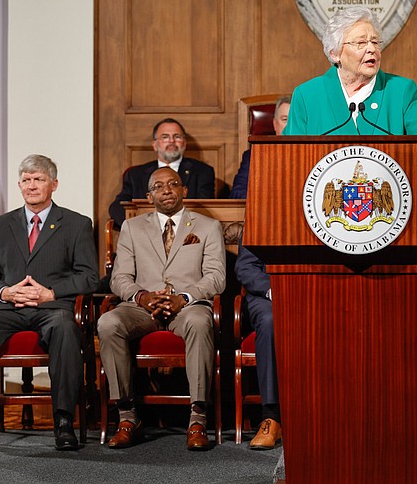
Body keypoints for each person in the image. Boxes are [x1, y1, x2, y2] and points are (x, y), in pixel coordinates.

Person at [0, 154, 99, 451]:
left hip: (52, 308)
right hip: (7, 307)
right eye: (26, 180)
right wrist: (6, 292)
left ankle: (63, 420)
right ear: (19, 185)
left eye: (38, 179)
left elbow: (90, 278)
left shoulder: (76, 224)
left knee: (66, 329)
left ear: (54, 184)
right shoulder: (0, 225)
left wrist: (51, 293)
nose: (31, 186)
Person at [98, 167, 226, 451]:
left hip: (187, 307)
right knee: (108, 323)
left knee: (201, 321)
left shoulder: (207, 226)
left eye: (173, 184)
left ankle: (197, 419)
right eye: (158, 186)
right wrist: (141, 297)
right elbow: (119, 278)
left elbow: (216, 277)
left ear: (184, 190)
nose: (166, 189)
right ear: (149, 195)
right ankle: (127, 418)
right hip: (143, 307)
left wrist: (184, 297)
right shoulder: (132, 227)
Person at [283, 6, 417, 136]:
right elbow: (287, 153)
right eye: (361, 42)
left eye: (375, 42)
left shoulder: (401, 91)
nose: (371, 49)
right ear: (335, 53)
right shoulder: (307, 95)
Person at [109, 118, 216, 225]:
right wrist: (137, 227)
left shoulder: (203, 171)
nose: (171, 141)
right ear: (154, 145)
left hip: (187, 230)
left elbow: (205, 208)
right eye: (165, 137)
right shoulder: (136, 174)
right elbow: (117, 207)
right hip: (145, 232)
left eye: (177, 137)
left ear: (184, 143)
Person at [234, 245, 282, 449]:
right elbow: (246, 267)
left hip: (314, 285)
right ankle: (271, 417)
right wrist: (276, 288)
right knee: (271, 320)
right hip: (265, 295)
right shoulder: (259, 216)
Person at [229, 96, 290, 199]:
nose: (290, 125)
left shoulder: (312, 155)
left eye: (295, 120)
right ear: (275, 124)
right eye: (285, 119)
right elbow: (237, 193)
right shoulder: (254, 156)